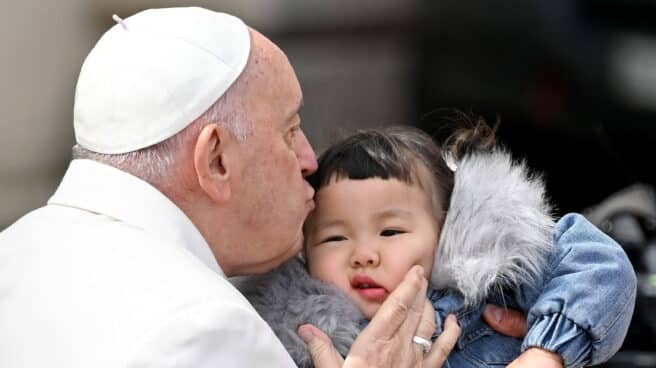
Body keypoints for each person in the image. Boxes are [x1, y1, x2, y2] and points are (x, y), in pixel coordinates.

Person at [0, 7, 462, 368]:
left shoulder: (13, 251)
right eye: (289, 130)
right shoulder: (204, 330)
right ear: (216, 159)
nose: (308, 159)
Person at [243, 122, 637, 368]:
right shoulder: (299, 343)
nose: (363, 254)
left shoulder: (485, 292)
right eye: (335, 237)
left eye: (391, 231)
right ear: (304, 251)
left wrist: (545, 353)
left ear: (446, 232)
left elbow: (598, 266)